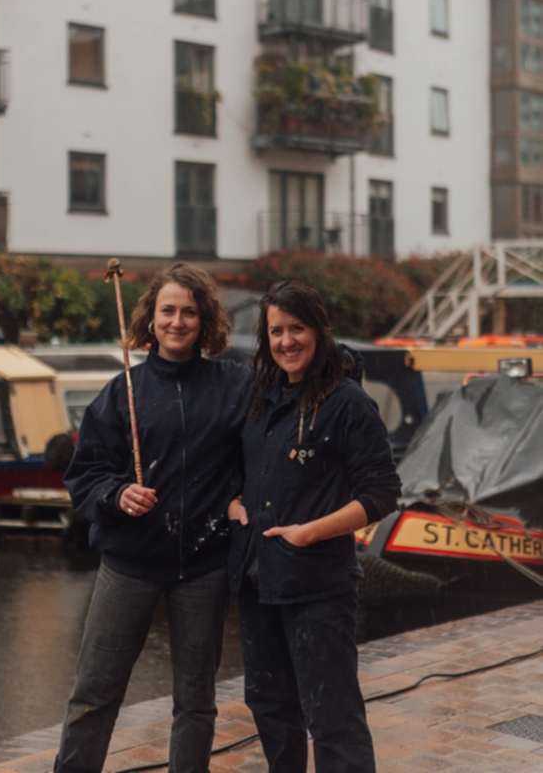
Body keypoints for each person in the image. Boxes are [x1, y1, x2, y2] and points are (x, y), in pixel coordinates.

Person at [54, 262, 250, 773]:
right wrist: (117, 495)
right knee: (94, 693)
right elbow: (85, 472)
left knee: (196, 698)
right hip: (130, 562)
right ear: (151, 317)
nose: (178, 322)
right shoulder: (123, 391)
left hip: (203, 565)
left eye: (189, 312)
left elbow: (267, 442)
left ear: (204, 320)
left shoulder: (235, 386)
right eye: (168, 311)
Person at [228, 279, 401, 773]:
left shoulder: (347, 403)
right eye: (276, 331)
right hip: (258, 580)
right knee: (270, 707)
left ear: (320, 331)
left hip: (318, 586)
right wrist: (230, 502)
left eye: (297, 328)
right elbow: (238, 467)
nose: (286, 341)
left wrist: (311, 532)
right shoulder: (261, 397)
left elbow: (382, 492)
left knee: (332, 716)